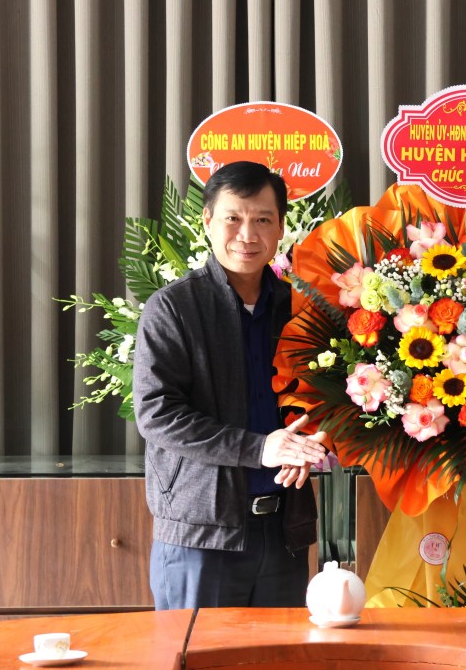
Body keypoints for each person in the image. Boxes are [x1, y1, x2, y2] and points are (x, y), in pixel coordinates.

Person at [134, 161, 328, 610]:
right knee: (196, 649)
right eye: (233, 218)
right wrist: (260, 449)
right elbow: (157, 414)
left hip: (284, 532)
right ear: (207, 220)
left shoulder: (298, 307)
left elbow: (328, 394)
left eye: (263, 219)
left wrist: (312, 442)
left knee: (280, 650)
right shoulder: (174, 308)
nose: (247, 234)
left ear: (281, 227)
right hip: (201, 537)